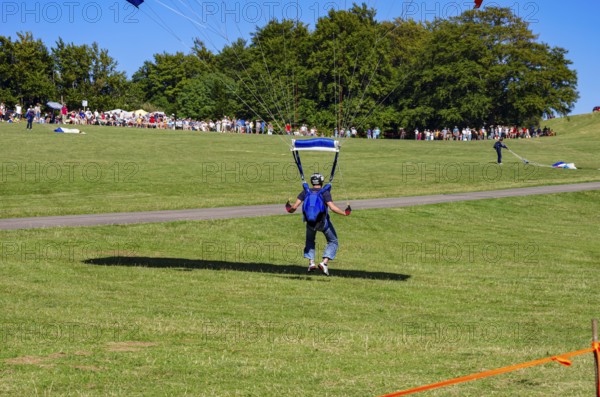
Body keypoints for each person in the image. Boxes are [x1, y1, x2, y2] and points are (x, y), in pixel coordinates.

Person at [286, 173, 349, 276]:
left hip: (310, 223)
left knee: (310, 241)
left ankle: (311, 263)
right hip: (323, 223)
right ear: (321, 182)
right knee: (333, 241)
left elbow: (293, 208)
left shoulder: (306, 192)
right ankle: (324, 263)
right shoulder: (325, 193)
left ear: (312, 182)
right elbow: (333, 208)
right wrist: (344, 213)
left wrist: (288, 208)